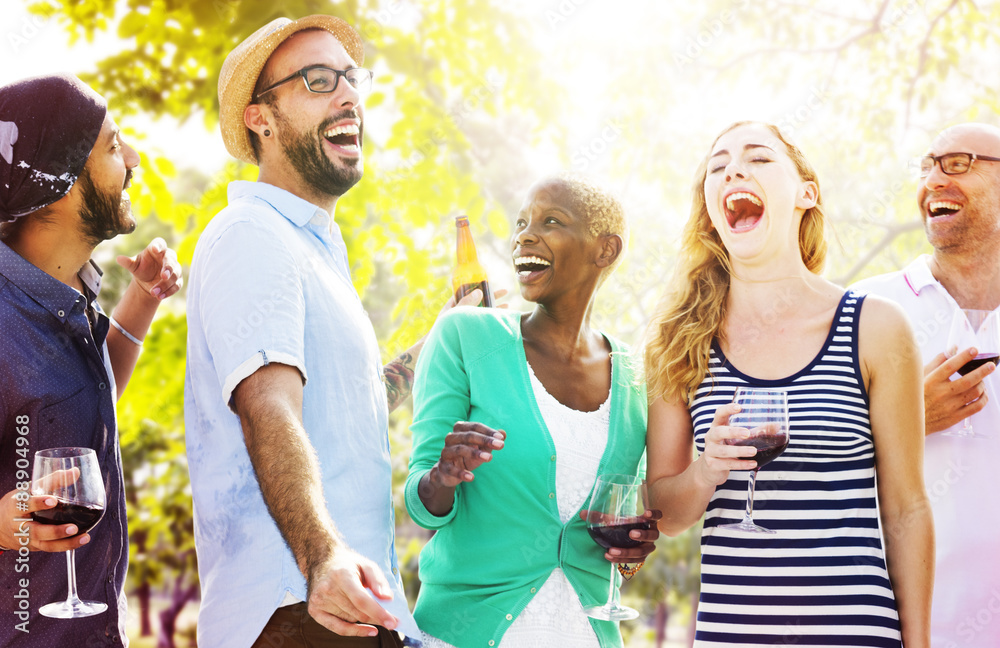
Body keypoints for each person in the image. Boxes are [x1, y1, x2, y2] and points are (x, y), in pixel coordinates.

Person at [185, 15, 491, 648]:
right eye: (318, 80)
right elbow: (268, 407)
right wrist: (322, 557)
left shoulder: (314, 251)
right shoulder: (253, 233)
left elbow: (351, 404)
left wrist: (442, 334)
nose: (349, 95)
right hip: (299, 610)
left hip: (349, 609)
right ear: (260, 118)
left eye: (352, 78)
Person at [643, 121, 933, 647]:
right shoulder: (678, 340)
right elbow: (666, 515)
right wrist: (707, 469)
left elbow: (906, 508)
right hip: (731, 635)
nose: (734, 169)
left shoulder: (873, 326)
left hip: (854, 633)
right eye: (718, 165)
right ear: (711, 206)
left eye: (758, 158)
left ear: (807, 193)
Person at [405, 174, 658, 648]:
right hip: (466, 631)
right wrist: (442, 476)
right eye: (521, 222)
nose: (524, 234)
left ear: (605, 250)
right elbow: (422, 506)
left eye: (551, 221)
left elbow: (619, 512)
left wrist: (631, 550)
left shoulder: (635, 376)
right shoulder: (466, 336)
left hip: (584, 633)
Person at [0, 74, 182, 647]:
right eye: (111, 144)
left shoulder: (66, 294)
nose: (132, 159)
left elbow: (84, 403)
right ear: (56, 180)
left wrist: (142, 300)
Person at [851, 122, 1000, 648]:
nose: (934, 178)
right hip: (891, 628)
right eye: (926, 165)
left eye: (958, 163)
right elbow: (798, 468)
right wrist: (902, 422)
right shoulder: (862, 310)